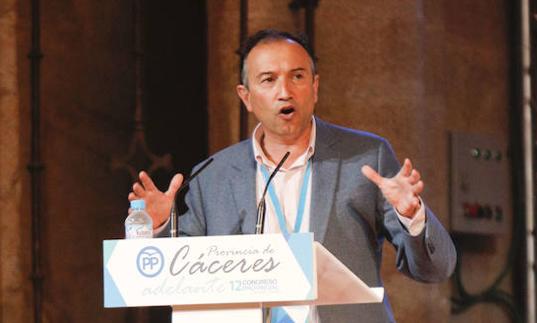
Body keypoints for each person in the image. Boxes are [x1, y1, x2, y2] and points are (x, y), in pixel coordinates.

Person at [129, 29, 456, 323]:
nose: (284, 91)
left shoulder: (366, 157)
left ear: (314, 87)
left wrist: (412, 216)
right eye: (268, 80)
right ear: (246, 97)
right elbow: (173, 283)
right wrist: (157, 229)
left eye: (297, 76)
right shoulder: (212, 176)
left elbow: (435, 269)